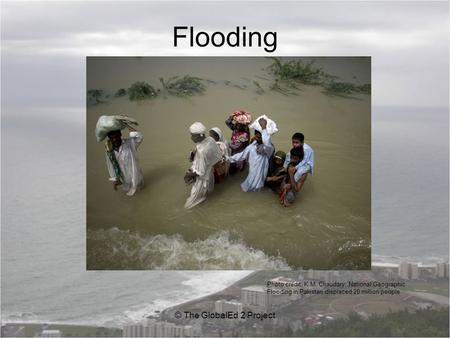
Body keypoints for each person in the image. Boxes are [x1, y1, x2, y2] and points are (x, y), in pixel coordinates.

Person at [227, 118, 274, 192]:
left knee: (257, 191)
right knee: (246, 189)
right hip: (251, 175)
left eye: (261, 137)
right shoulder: (252, 146)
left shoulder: (267, 149)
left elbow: (267, 144)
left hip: (259, 178)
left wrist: (264, 128)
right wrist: (227, 158)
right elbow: (241, 155)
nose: (259, 139)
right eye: (257, 136)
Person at [184, 122, 222, 209]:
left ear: (200, 136)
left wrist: (189, 175)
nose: (191, 137)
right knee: (207, 194)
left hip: (202, 180)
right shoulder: (210, 140)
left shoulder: (202, 151)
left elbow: (200, 172)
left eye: (193, 135)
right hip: (210, 173)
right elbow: (217, 156)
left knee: (189, 205)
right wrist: (194, 153)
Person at [105, 129, 144, 196]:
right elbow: (110, 166)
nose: (115, 139)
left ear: (120, 134)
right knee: (129, 197)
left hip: (136, 177)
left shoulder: (130, 143)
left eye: (116, 136)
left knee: (142, 193)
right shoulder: (109, 151)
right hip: (124, 180)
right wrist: (114, 179)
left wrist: (130, 128)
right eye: (112, 138)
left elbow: (139, 137)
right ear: (109, 138)